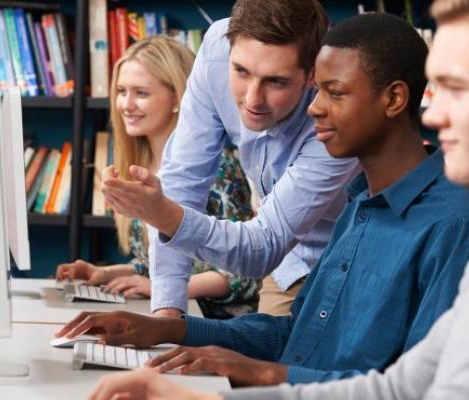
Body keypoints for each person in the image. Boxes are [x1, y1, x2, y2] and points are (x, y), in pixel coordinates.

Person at [88, 0, 469, 399]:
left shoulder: (457, 228)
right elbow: (304, 339)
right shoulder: (362, 204)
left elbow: (411, 390)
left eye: (333, 93)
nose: (314, 107)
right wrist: (175, 328)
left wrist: (248, 380)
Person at [99, 0, 360, 317]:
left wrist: (165, 214)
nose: (252, 99)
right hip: (287, 263)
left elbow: (263, 248)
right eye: (241, 72)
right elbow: (182, 181)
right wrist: (166, 311)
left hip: (350, 257)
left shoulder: (340, 108)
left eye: (276, 81)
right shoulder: (217, 49)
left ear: (312, 76)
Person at [56, 36, 260, 319]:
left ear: (178, 97)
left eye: (141, 93)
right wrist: (105, 273)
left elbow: (244, 274)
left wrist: (163, 289)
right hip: (174, 314)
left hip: (216, 325)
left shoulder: (218, 167)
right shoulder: (138, 164)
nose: (126, 104)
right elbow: (160, 261)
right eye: (121, 91)